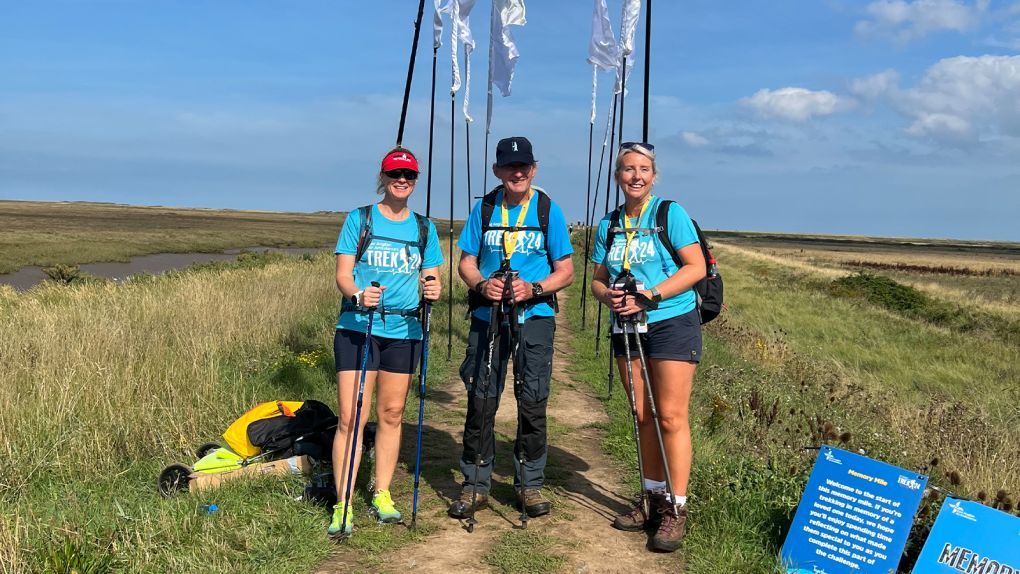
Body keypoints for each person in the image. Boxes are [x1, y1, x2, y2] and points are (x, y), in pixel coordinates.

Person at [448, 136, 574, 521]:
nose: (517, 173)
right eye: (509, 167)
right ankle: (474, 485)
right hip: (489, 318)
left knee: (532, 401)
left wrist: (533, 288)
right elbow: (466, 262)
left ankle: (529, 484)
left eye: (524, 166)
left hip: (533, 319)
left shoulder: (548, 210)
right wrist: (482, 285)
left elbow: (566, 271)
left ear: (533, 169)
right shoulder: (485, 209)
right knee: (482, 401)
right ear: (497, 171)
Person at [589, 142, 705, 552]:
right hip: (627, 324)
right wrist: (610, 297)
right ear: (618, 176)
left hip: (671, 322)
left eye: (643, 169)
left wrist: (650, 294)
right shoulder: (609, 224)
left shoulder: (669, 214)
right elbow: (598, 279)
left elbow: (696, 267)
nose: (635, 176)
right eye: (627, 169)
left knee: (670, 415)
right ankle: (651, 497)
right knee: (641, 414)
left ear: (654, 176)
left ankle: (676, 507)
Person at [328, 147, 443, 537]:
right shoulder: (359, 219)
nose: (402, 181)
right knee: (352, 416)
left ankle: (382, 493)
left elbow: (432, 276)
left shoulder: (424, 228)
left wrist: (433, 288)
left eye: (409, 175)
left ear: (415, 180)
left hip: (405, 331)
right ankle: (343, 502)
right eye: (396, 174)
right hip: (359, 327)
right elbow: (344, 274)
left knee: (392, 413)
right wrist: (358, 294)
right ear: (383, 176)